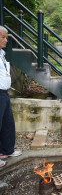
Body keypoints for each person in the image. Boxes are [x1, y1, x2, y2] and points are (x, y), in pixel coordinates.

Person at [0, 25, 22, 167]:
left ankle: (6, 150)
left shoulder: (1, 54)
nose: (6, 40)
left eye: (6, 37)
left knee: (8, 123)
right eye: (3, 37)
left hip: (4, 93)